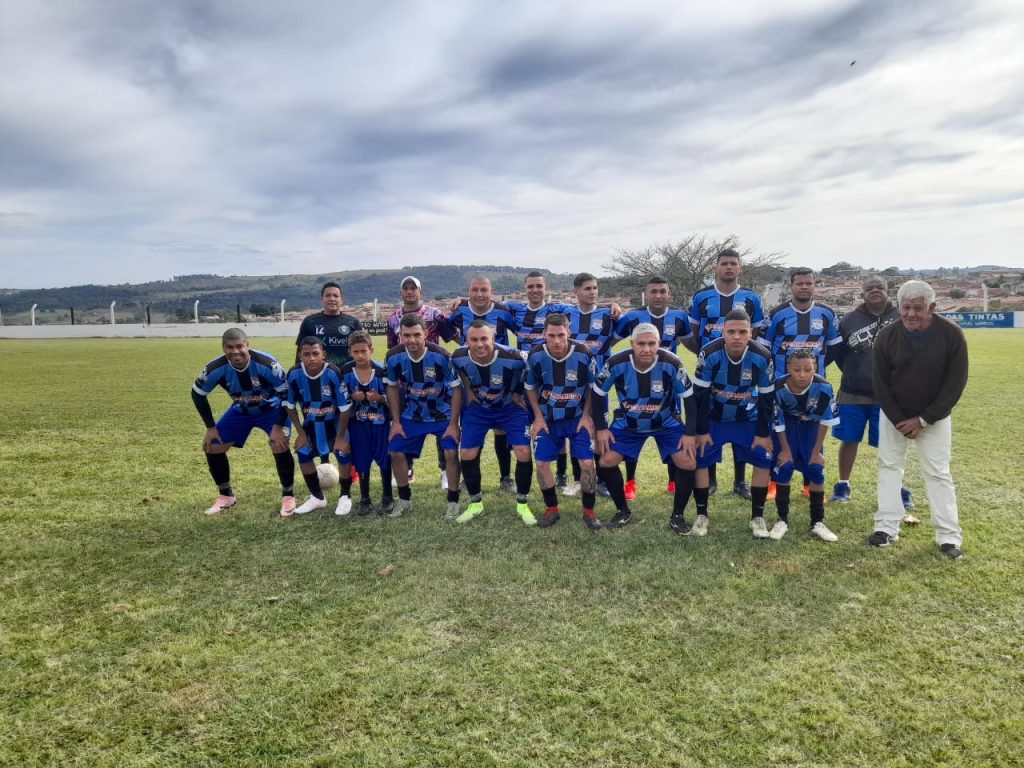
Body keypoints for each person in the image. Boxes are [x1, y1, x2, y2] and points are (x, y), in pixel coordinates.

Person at [868, 280, 968, 559]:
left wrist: (923, 419)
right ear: (898, 307)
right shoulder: (887, 336)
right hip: (894, 416)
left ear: (932, 308)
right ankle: (886, 527)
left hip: (934, 418)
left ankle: (948, 536)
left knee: (938, 473)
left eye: (918, 308)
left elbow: (955, 384)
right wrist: (899, 418)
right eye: (906, 307)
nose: (911, 314)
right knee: (889, 467)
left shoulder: (951, 334)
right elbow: (880, 383)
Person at [592, 323, 698, 533]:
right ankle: (622, 511)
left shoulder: (672, 362)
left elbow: (689, 398)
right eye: (641, 344)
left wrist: (689, 433)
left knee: (688, 462)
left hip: (666, 423)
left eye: (651, 343)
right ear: (632, 344)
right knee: (605, 461)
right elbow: (597, 393)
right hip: (629, 424)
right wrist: (601, 428)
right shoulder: (616, 363)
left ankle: (678, 515)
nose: (647, 349)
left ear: (659, 343)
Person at [829, 277, 914, 515]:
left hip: (889, 396)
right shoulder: (849, 320)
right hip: (852, 393)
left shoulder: (900, 316)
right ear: (862, 293)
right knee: (849, 439)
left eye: (879, 288)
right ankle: (843, 484)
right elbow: (838, 354)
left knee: (890, 444)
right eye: (869, 288)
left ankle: (896, 486)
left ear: (888, 291)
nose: (874, 291)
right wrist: (855, 372)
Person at [686, 248, 766, 500]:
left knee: (739, 415)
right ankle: (710, 479)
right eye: (724, 263)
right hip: (711, 368)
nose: (729, 267)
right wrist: (708, 357)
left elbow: (757, 333)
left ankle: (740, 481)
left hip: (744, 367)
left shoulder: (752, 298)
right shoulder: (701, 297)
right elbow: (694, 334)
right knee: (711, 416)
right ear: (716, 268)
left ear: (740, 268)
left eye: (733, 263)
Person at [191, 328, 295, 517]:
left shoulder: (267, 364)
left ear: (248, 345)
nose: (235, 351)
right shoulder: (215, 368)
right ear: (223, 348)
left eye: (240, 346)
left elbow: (287, 394)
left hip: (272, 409)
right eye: (229, 347)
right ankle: (226, 496)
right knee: (213, 445)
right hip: (241, 409)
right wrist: (210, 427)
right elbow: (197, 394)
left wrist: (279, 426)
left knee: (279, 443)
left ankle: (288, 495)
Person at [691, 309, 775, 538]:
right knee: (700, 459)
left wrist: (763, 433)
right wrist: (701, 431)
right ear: (723, 332)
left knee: (763, 458)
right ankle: (701, 515)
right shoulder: (709, 353)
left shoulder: (762, 356)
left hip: (746, 418)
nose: (736, 336)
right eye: (731, 331)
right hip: (714, 418)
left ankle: (757, 516)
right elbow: (700, 394)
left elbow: (767, 397)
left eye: (742, 332)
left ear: (751, 333)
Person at [761, 267, 842, 500]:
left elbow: (834, 348)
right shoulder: (777, 314)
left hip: (814, 388)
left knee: (814, 432)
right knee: (777, 431)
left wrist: (815, 371)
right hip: (782, 386)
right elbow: (764, 348)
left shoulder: (826, 314)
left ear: (815, 285)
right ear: (791, 286)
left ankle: (809, 483)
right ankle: (774, 481)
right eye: (800, 283)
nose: (804, 287)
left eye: (809, 283)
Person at [446, 320, 535, 525]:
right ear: (466, 341)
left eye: (484, 339)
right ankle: (475, 504)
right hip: (478, 409)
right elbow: (459, 372)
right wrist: (468, 389)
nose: (479, 344)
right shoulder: (458, 356)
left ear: (493, 339)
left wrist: (517, 392)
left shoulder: (514, 356)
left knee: (523, 452)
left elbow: (531, 368)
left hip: (510, 408)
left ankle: (522, 504)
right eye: (474, 340)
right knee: (467, 453)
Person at [613, 275, 693, 498]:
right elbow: (608, 340)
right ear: (646, 294)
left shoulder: (679, 317)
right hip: (635, 382)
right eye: (653, 291)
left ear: (669, 294)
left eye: (662, 291)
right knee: (633, 428)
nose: (658, 295)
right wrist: (611, 308)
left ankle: (673, 481)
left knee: (672, 431)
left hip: (669, 387)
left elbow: (692, 344)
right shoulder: (633, 317)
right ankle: (630, 482)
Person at [525, 313, 602, 530]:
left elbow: (592, 388)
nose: (557, 341)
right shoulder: (536, 355)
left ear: (568, 332)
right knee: (542, 464)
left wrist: (586, 415)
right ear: (544, 334)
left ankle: (589, 511)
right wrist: (538, 417)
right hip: (548, 420)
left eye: (561, 335)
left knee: (586, 463)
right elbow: (530, 388)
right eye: (551, 335)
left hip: (577, 418)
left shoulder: (584, 353)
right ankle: (552, 509)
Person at [385, 275, 459, 489]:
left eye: (413, 288)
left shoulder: (435, 314)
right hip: (407, 381)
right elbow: (392, 347)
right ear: (401, 292)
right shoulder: (393, 318)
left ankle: (445, 471)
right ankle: (407, 470)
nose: (409, 291)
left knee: (441, 425)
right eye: (406, 288)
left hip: (436, 378)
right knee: (407, 425)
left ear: (420, 291)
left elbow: (453, 336)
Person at [448, 275, 518, 492]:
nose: (479, 294)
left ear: (491, 292)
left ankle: (505, 477)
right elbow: (445, 330)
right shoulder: (459, 311)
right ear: (468, 292)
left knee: (501, 431)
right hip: (472, 380)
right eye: (475, 290)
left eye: (484, 290)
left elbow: (521, 333)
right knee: (472, 430)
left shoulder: (504, 311)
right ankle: (469, 478)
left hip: (501, 380)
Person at [767, 349, 840, 542]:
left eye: (807, 370)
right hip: (787, 430)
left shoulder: (824, 388)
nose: (802, 374)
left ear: (815, 368)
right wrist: (785, 450)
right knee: (784, 467)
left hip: (811, 429)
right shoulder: (778, 387)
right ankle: (782, 520)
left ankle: (817, 522)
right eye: (797, 370)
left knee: (815, 468)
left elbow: (825, 421)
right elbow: (778, 421)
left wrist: (816, 451)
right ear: (788, 368)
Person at [286, 337, 352, 516]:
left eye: (315, 354)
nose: (311, 358)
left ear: (324, 354)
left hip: (334, 424)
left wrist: (340, 438)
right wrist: (301, 434)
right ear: (300, 355)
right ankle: (317, 497)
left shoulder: (333, 372)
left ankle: (345, 496)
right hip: (311, 424)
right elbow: (290, 406)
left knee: (343, 453)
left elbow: (345, 408)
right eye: (306, 354)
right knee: (303, 452)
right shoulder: (294, 374)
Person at [337, 331, 394, 516]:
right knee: (362, 459)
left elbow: (394, 398)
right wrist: (352, 397)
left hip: (380, 423)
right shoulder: (346, 371)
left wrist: (379, 398)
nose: (360, 355)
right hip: (358, 424)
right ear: (349, 352)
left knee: (384, 458)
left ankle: (387, 497)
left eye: (364, 351)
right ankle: (365, 499)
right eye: (356, 352)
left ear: (371, 350)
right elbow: (340, 398)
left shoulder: (382, 371)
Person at [295, 282, 362, 368]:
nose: (332, 299)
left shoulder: (353, 322)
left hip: (346, 373)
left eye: (336, 296)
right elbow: (300, 351)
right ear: (322, 299)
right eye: (328, 295)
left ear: (342, 300)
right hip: (320, 374)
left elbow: (362, 350)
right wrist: (297, 370)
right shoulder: (309, 322)